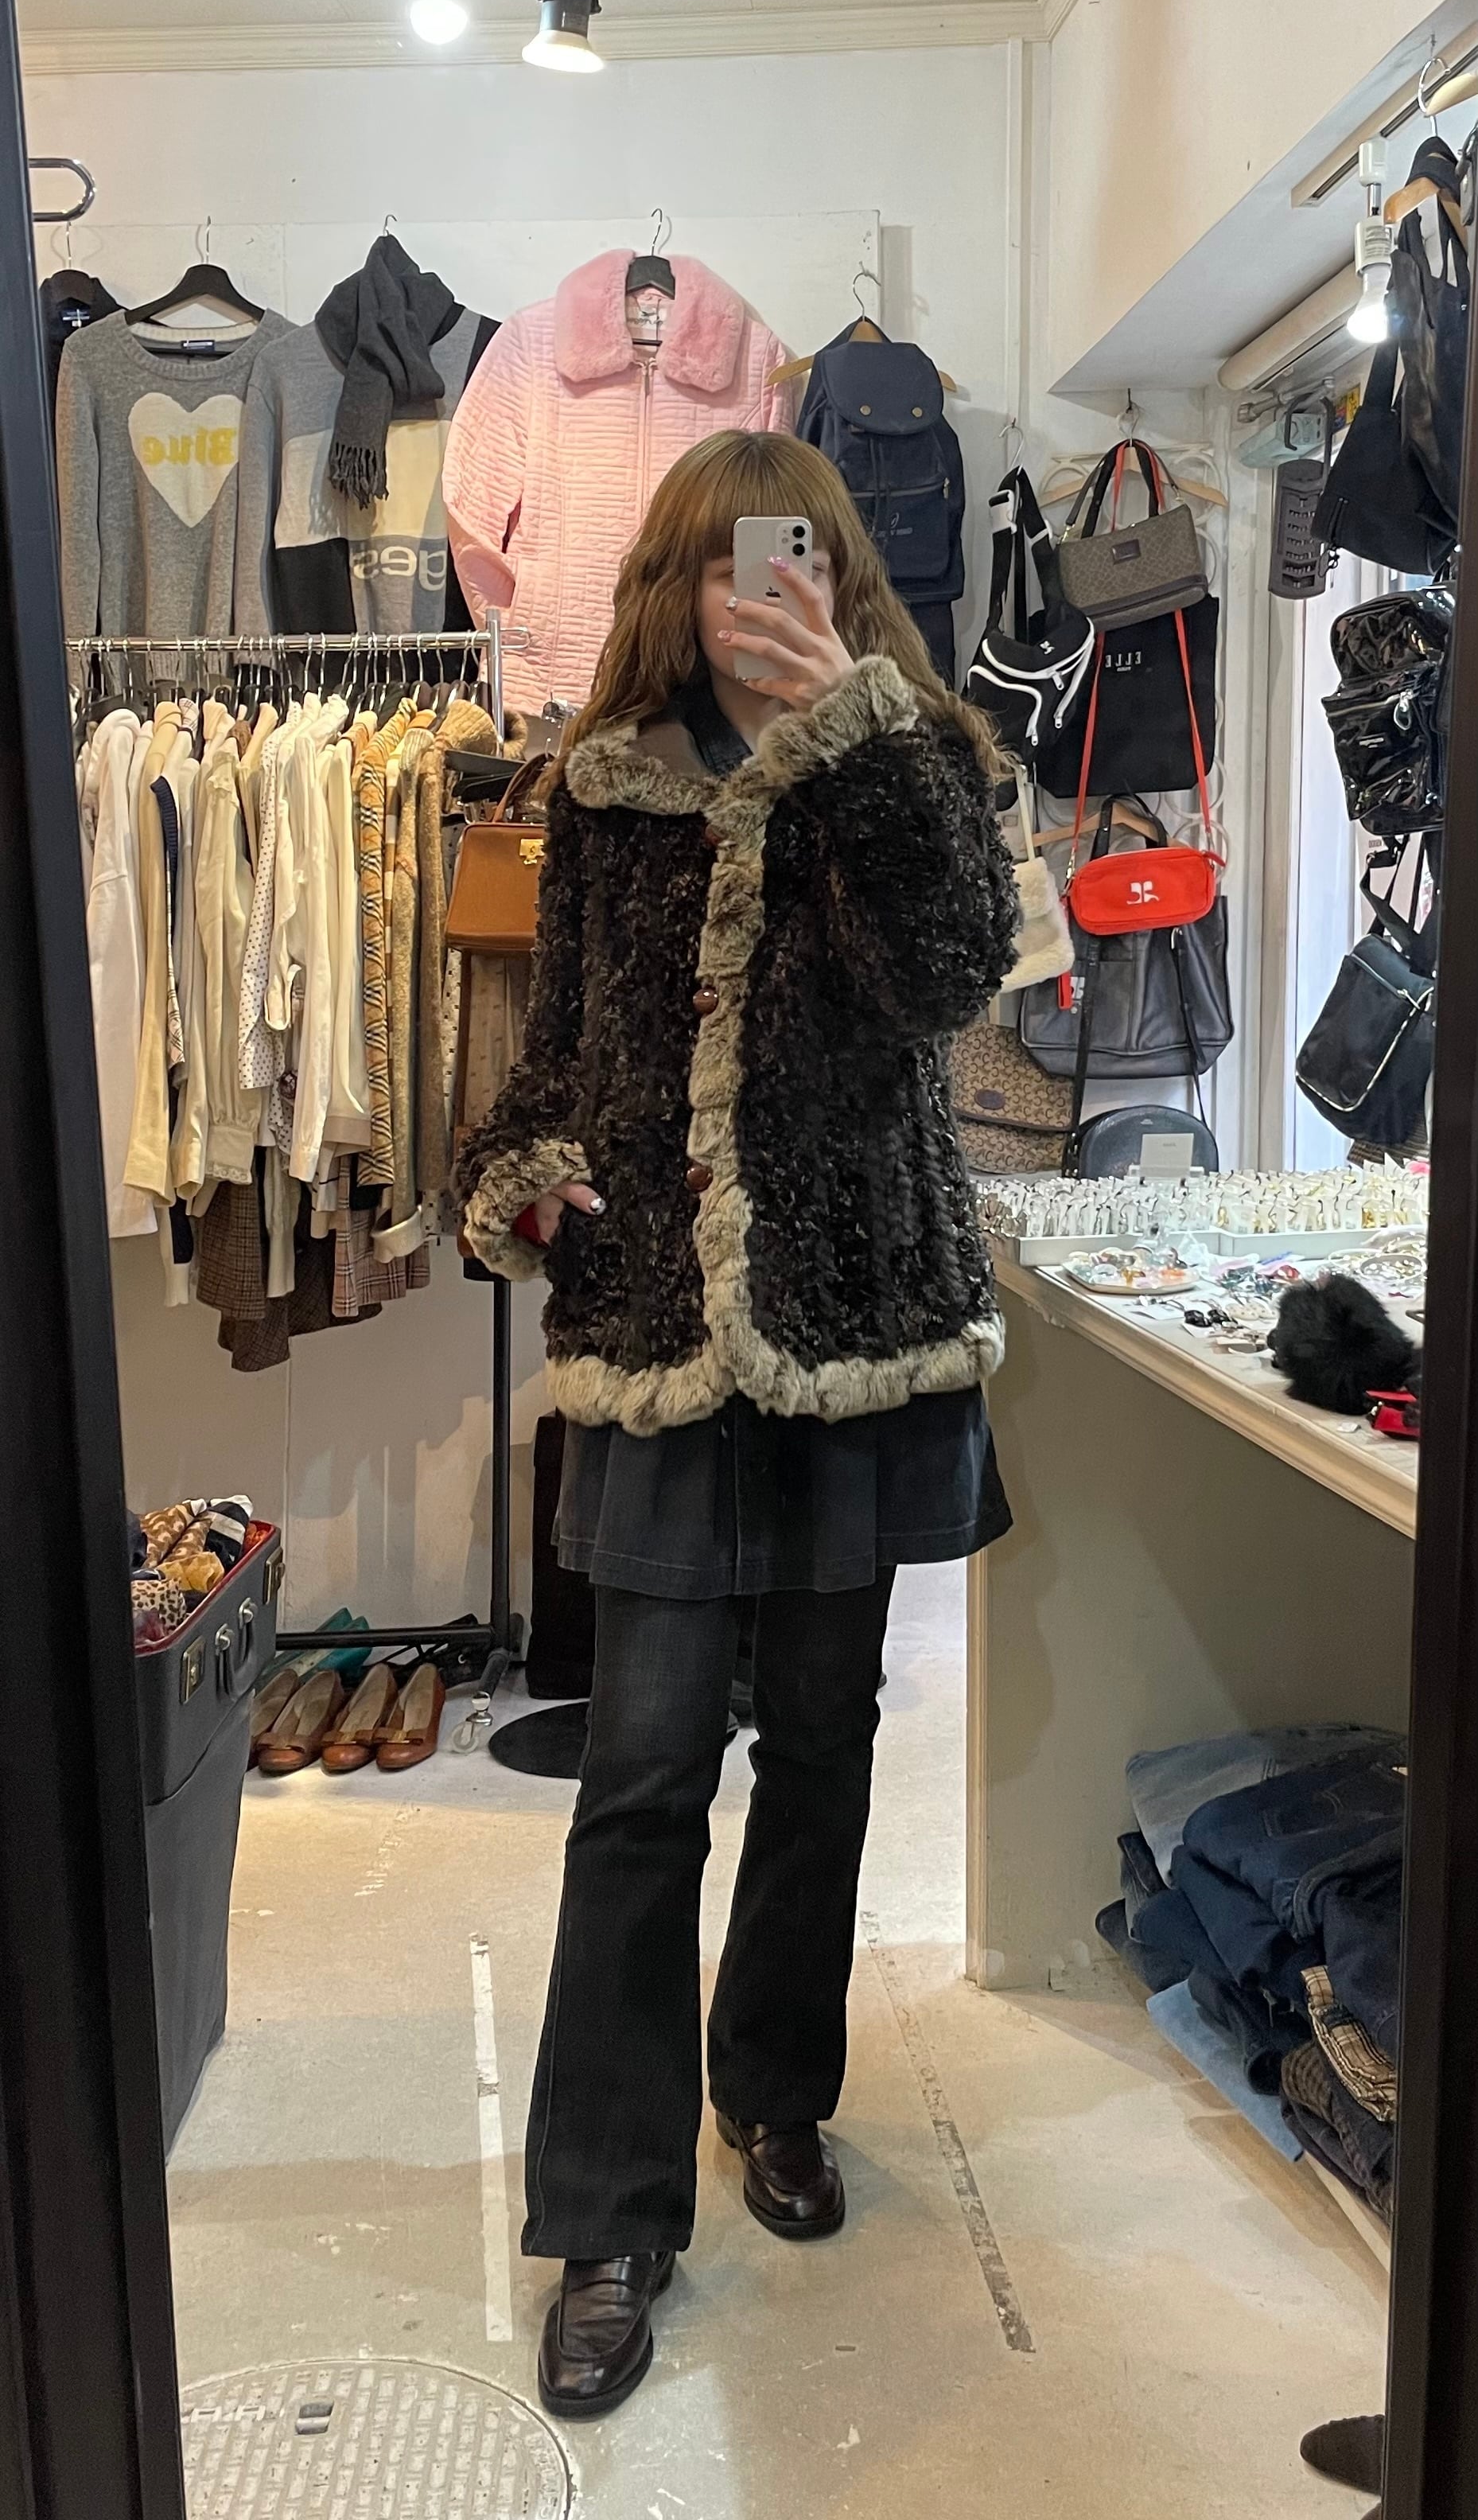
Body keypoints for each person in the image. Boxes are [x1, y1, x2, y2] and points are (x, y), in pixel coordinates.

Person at [454, 427, 1020, 2417]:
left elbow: (951, 975)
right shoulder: (601, 789)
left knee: (827, 1747)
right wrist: (518, 1166)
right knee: (638, 1777)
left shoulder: (913, 757)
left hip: (853, 1318)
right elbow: (565, 1053)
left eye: (776, 560)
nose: (743, 595)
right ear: (664, 586)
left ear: (834, 574)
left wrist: (846, 737)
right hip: (663, 1334)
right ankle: (606, 2210)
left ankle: (773, 2087)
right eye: (711, 564)